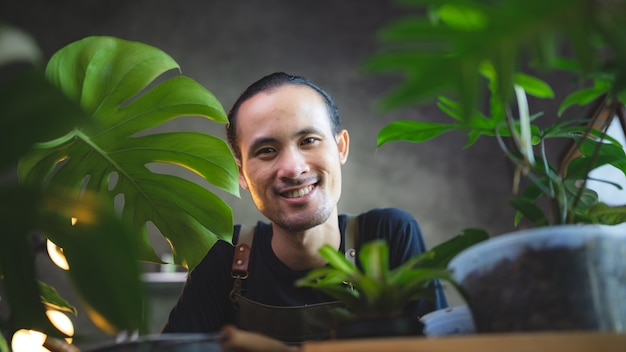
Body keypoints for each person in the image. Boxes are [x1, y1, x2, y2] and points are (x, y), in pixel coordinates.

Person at [161, 72, 448, 350]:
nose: (293, 168)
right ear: (241, 174)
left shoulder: (387, 236)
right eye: (266, 151)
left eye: (308, 141)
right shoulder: (223, 253)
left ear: (341, 147)